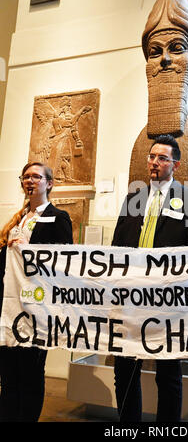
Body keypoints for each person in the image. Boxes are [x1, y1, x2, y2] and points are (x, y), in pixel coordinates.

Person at [112, 134, 188, 422]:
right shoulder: (133, 197)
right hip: (130, 298)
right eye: (152, 156)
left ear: (175, 165)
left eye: (162, 158)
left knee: (167, 374)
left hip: (168, 301)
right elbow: (118, 245)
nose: (155, 162)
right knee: (125, 371)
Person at [0, 161, 73, 422]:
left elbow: (63, 260)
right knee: (8, 373)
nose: (30, 181)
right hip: (10, 307)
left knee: (30, 372)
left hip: (38, 307)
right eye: (26, 177)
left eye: (36, 177)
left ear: (49, 183)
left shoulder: (58, 217)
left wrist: (30, 246)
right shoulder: (17, 219)